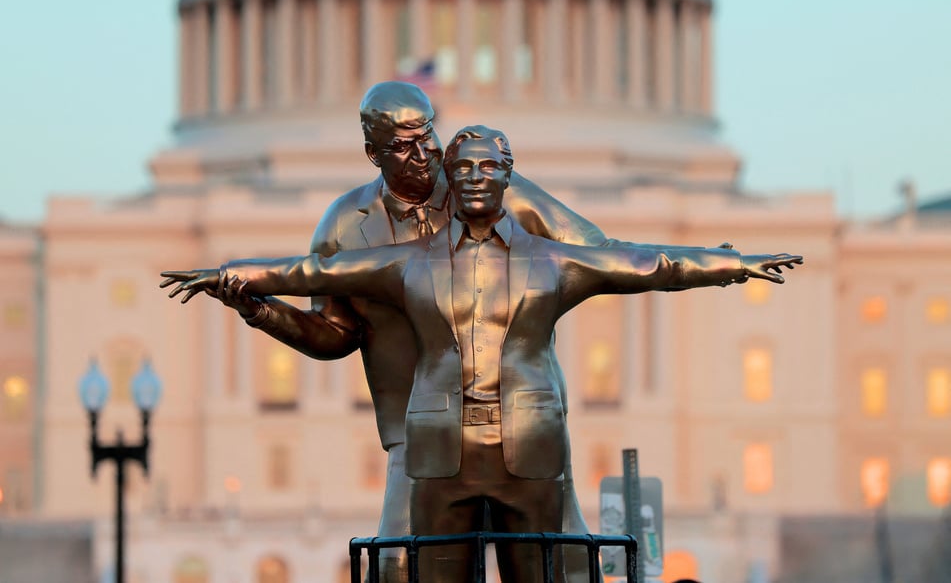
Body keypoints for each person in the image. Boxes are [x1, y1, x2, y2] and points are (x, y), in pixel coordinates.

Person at [162, 124, 802, 583]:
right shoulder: (406, 262)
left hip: (531, 440)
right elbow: (307, 272)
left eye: (488, 168)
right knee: (425, 572)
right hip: (438, 445)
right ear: (449, 176)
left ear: (508, 177)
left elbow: (653, 264)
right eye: (461, 168)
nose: (472, 179)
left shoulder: (556, 259)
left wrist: (735, 265)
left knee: (542, 571)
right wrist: (232, 278)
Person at [205, 81, 651, 583]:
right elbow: (334, 334)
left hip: (517, 421)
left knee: (560, 563)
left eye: (427, 135)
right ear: (373, 153)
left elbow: (596, 254)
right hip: (419, 431)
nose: (424, 155)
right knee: (400, 565)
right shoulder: (343, 227)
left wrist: (721, 264)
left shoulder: (488, 186)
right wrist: (261, 311)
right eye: (403, 145)